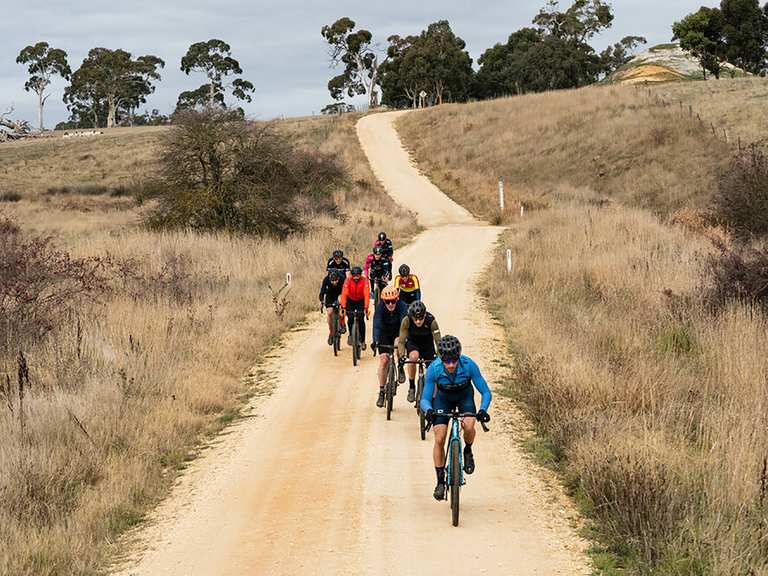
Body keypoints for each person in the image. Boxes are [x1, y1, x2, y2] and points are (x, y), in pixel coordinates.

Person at [420, 335, 492, 501]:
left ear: (459, 357)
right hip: (443, 398)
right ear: (441, 358)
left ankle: (467, 450)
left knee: (469, 425)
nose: (451, 365)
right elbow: (424, 398)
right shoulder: (434, 368)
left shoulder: (468, 365)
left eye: (454, 360)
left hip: (464, 396)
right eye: (447, 361)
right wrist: (429, 410)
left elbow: (485, 392)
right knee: (439, 437)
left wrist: (482, 410)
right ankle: (439, 482)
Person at [372, 285, 408, 408]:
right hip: (384, 333)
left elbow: (404, 325)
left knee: (398, 344)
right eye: (388, 302)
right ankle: (381, 391)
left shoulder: (402, 306)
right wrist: (375, 340)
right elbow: (376, 325)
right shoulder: (380, 308)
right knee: (383, 361)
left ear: (397, 299)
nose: (391, 304)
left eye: (393, 301)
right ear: (383, 301)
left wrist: (404, 341)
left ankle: (401, 366)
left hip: (398, 332)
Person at [397, 301, 441, 403]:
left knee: (433, 371)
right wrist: (402, 356)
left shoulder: (431, 321)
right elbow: (402, 341)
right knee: (413, 357)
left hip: (427, 346)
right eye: (415, 319)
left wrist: (439, 356)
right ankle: (412, 386)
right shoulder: (406, 320)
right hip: (413, 344)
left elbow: (438, 341)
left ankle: (433, 400)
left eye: (421, 318)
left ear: (425, 315)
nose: (418, 321)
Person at [340, 266, 371, 349]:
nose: (356, 277)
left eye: (358, 275)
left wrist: (366, 307)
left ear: (360, 275)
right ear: (352, 275)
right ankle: (351, 335)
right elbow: (344, 294)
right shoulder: (347, 281)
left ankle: (363, 341)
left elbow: (367, 294)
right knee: (350, 319)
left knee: (361, 319)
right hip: (350, 300)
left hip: (361, 300)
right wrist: (343, 306)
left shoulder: (365, 281)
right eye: (354, 275)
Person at [319, 271, 345, 345]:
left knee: (341, 311)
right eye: (332, 281)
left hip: (340, 294)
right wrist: (321, 300)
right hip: (330, 295)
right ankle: (331, 333)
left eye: (336, 280)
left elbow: (345, 291)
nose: (334, 283)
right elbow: (322, 291)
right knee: (330, 313)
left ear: (338, 278)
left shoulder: (342, 279)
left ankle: (342, 323)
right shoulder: (326, 279)